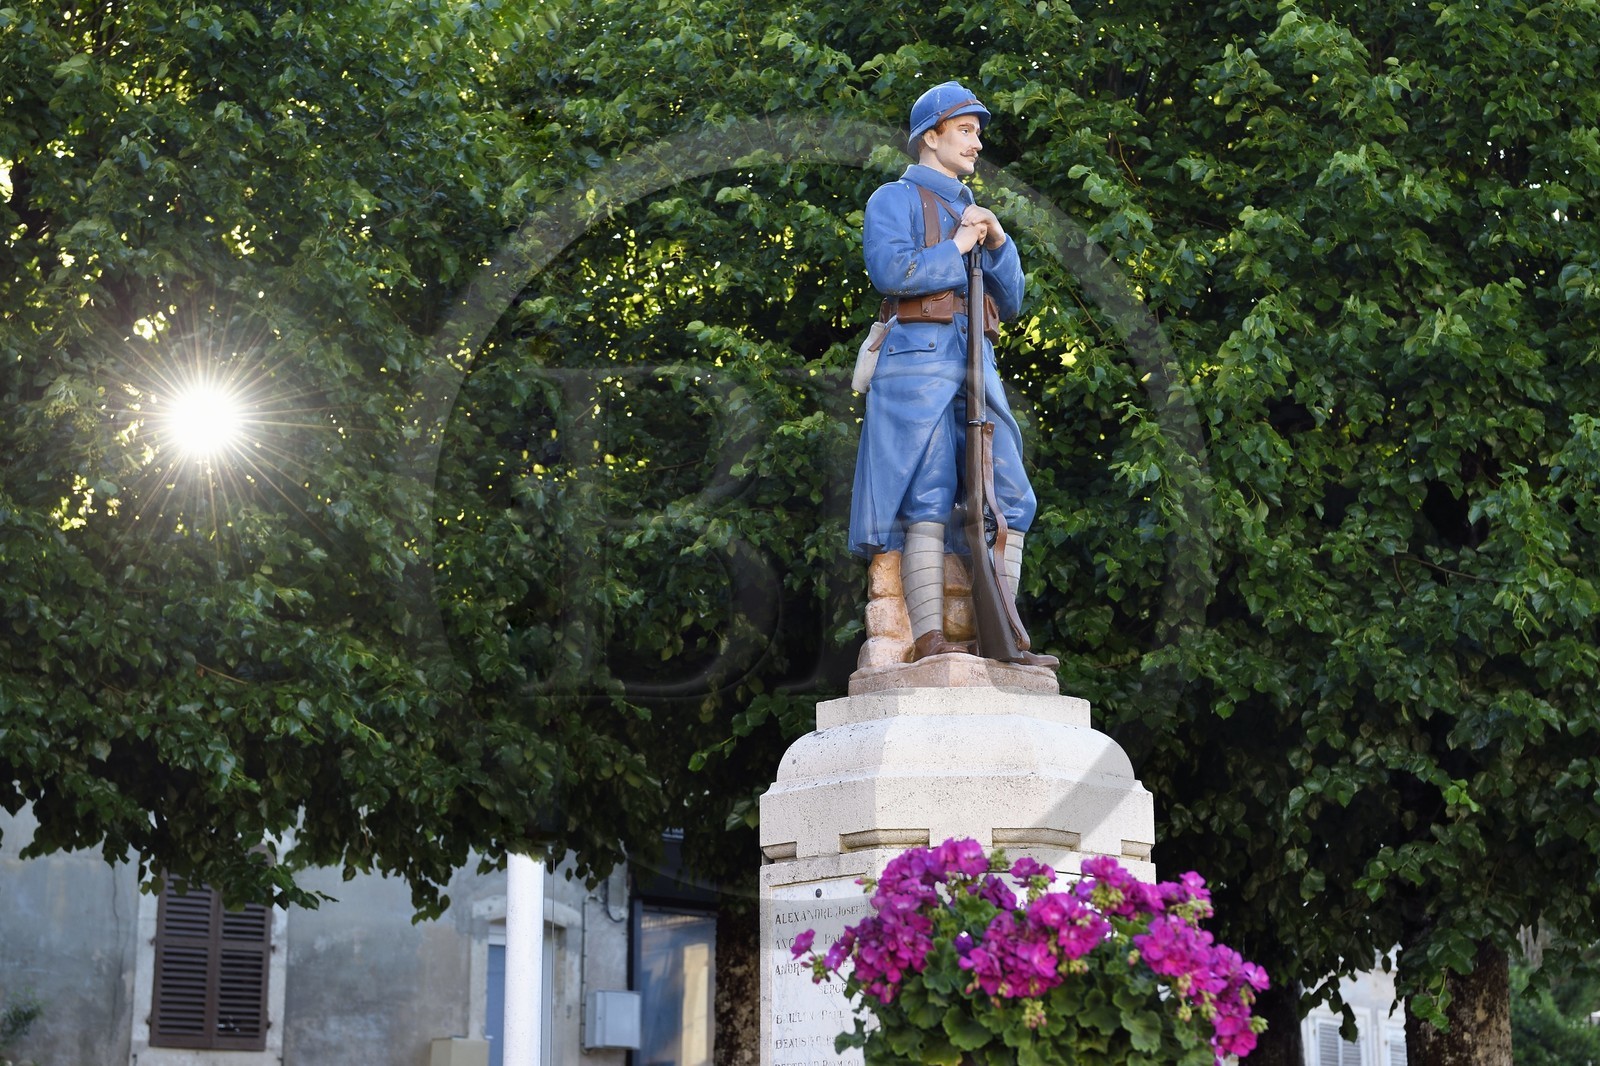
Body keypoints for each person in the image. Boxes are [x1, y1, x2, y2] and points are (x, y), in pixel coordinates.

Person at [849, 80, 1056, 668]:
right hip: (917, 366)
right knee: (928, 491)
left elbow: (1009, 302)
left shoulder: (974, 212)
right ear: (930, 137)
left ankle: (1005, 634)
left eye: (977, 132)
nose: (975, 142)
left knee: (1009, 494)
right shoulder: (893, 199)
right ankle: (929, 638)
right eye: (965, 130)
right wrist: (957, 244)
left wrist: (997, 242)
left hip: (975, 364)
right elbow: (891, 270)